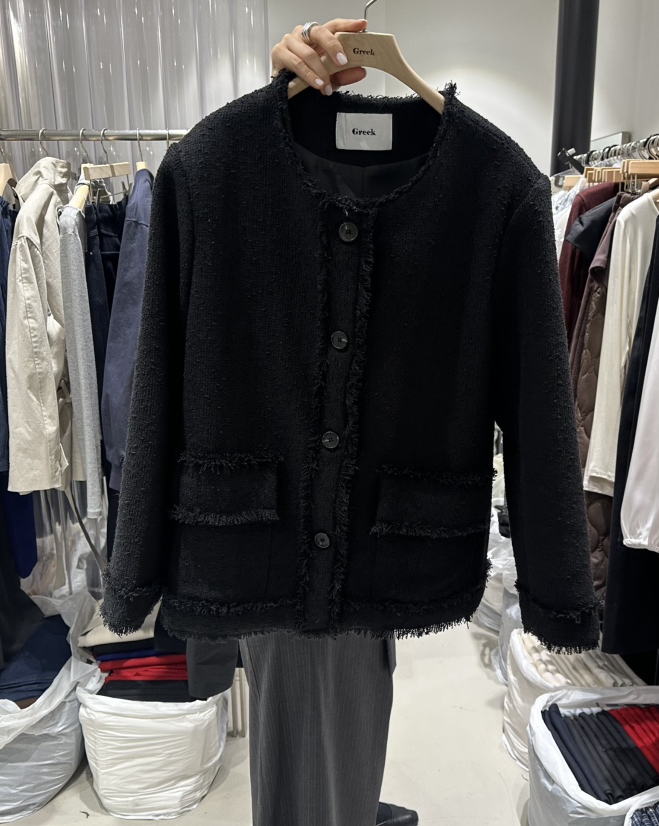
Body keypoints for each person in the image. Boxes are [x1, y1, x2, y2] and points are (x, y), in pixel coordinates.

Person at [235, 20, 418, 826]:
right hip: (285, 541)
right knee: (309, 752)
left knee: (336, 743)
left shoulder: (462, 186)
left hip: (369, 542)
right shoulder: (231, 179)